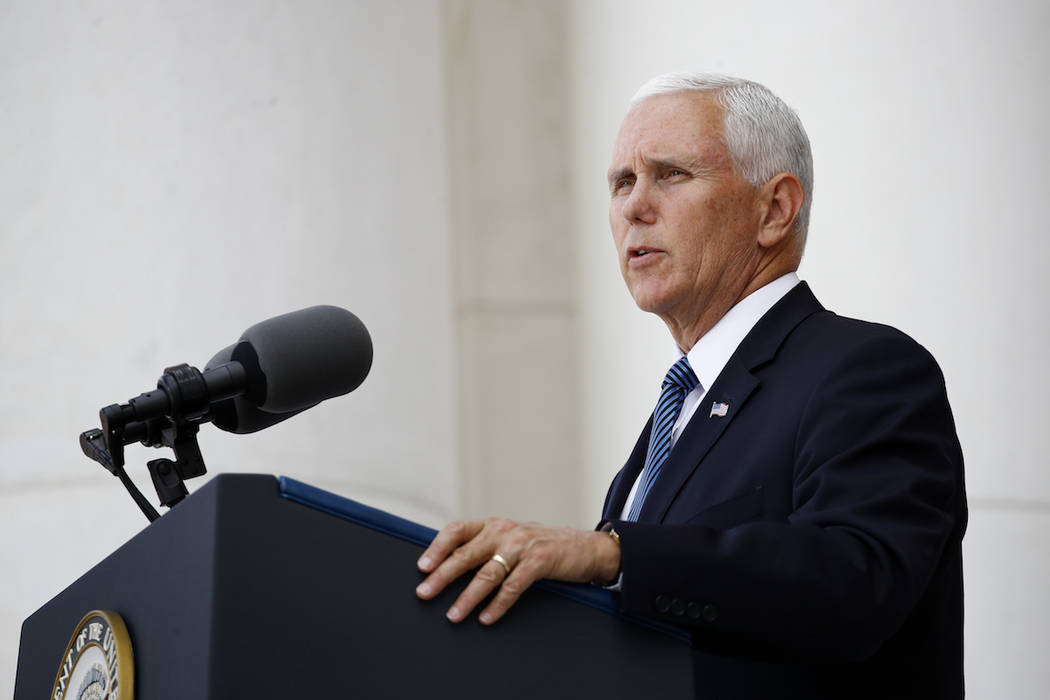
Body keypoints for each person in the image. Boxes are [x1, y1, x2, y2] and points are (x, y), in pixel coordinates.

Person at [415, 72, 966, 699]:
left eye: (671, 174)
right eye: (622, 182)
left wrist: (611, 554)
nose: (633, 206)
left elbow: (859, 579)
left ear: (775, 209)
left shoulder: (866, 369)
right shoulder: (684, 402)